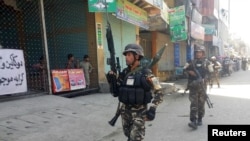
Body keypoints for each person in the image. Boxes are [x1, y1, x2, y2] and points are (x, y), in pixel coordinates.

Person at [107, 43, 164, 141]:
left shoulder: (146, 73)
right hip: (125, 112)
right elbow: (116, 93)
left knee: (135, 138)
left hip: (139, 113)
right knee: (128, 135)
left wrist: (153, 109)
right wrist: (111, 81)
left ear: (137, 56)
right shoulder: (124, 73)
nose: (126, 58)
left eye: (129, 55)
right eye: (126, 55)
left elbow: (159, 92)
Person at [183, 44, 210, 129]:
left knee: (201, 104)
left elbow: (210, 73)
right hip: (193, 86)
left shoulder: (207, 62)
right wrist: (189, 73)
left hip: (202, 87)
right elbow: (184, 71)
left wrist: (205, 78)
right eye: (197, 52)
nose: (198, 54)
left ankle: (200, 119)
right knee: (193, 104)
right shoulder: (190, 62)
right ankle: (193, 120)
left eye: (200, 52)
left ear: (203, 53)